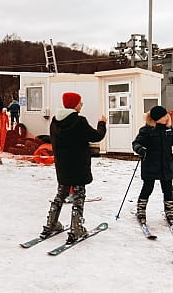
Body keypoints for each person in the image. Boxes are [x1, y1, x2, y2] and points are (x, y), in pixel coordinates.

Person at [40, 92, 107, 244]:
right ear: (74, 105)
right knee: (78, 197)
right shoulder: (79, 121)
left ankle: (50, 225)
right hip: (78, 166)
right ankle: (76, 229)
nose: (81, 104)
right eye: (80, 102)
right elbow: (96, 136)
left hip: (63, 166)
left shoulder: (55, 121)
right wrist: (102, 123)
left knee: (60, 195)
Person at [132, 105, 173, 226]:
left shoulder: (169, 130)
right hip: (150, 164)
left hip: (165, 165)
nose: (166, 117)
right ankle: (141, 210)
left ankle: (170, 211)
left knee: (168, 190)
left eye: (166, 115)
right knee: (147, 188)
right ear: (156, 118)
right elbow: (136, 143)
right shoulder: (147, 130)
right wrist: (140, 149)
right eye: (163, 116)